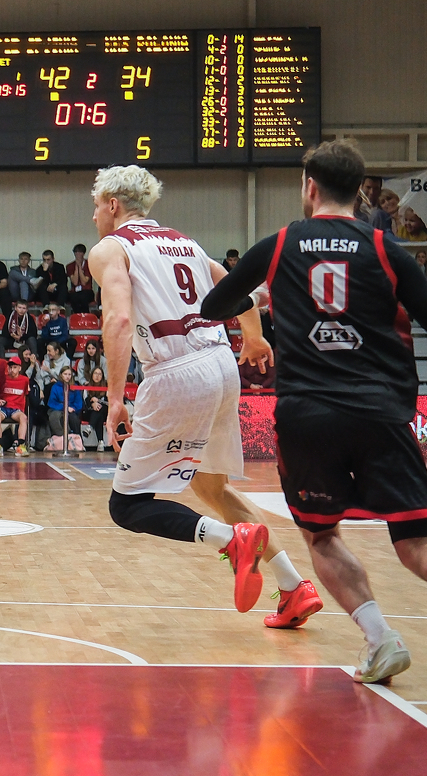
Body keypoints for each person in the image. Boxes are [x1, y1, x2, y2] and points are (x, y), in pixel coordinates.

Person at [200, 138, 427, 690]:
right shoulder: (388, 250)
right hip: (381, 412)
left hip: (307, 416)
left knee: (321, 537)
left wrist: (262, 299)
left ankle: (380, 639)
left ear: (309, 188)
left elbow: (213, 306)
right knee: (418, 542)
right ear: (360, 192)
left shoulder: (279, 245)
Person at [88, 165, 320, 635]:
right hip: (220, 366)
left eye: (96, 206)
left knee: (127, 506)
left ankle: (229, 540)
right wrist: (253, 338)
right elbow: (240, 290)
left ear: (113, 204)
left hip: (176, 373)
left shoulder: (111, 248)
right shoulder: (185, 243)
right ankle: (293, 586)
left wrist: (114, 399)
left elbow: (118, 321)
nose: (94, 216)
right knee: (212, 488)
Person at [0, 356, 30, 456]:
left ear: (19, 368)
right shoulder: (3, 378)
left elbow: (27, 393)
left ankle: (21, 446)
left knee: (23, 418)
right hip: (4, 408)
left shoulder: (25, 380)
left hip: (16, 409)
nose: (12, 370)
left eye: (14, 367)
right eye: (10, 367)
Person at [46, 366, 84, 440]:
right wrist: (65, 408)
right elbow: (52, 402)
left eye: (69, 374)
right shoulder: (55, 387)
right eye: (65, 374)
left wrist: (73, 408)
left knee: (74, 419)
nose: (67, 376)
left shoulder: (75, 386)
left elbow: (78, 403)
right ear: (61, 375)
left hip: (72, 410)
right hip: (58, 409)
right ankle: (62, 438)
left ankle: (78, 440)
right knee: (57, 417)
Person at [82, 367, 109, 449]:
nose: (97, 376)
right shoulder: (87, 386)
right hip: (89, 412)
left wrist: (98, 401)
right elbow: (85, 401)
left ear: (102, 376)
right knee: (98, 414)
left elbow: (109, 403)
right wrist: (92, 404)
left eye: (100, 374)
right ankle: (100, 442)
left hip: (104, 411)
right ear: (92, 375)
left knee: (100, 410)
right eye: (95, 373)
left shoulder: (106, 386)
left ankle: (90, 428)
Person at [66, 243, 95, 313]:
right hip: (75, 292)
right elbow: (75, 282)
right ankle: (77, 316)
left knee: (83, 297)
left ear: (83, 253)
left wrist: (80, 268)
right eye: (75, 252)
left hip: (87, 291)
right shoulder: (70, 266)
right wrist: (77, 267)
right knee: (73, 297)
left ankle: (85, 315)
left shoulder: (89, 264)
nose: (77, 254)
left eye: (79, 252)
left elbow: (84, 282)